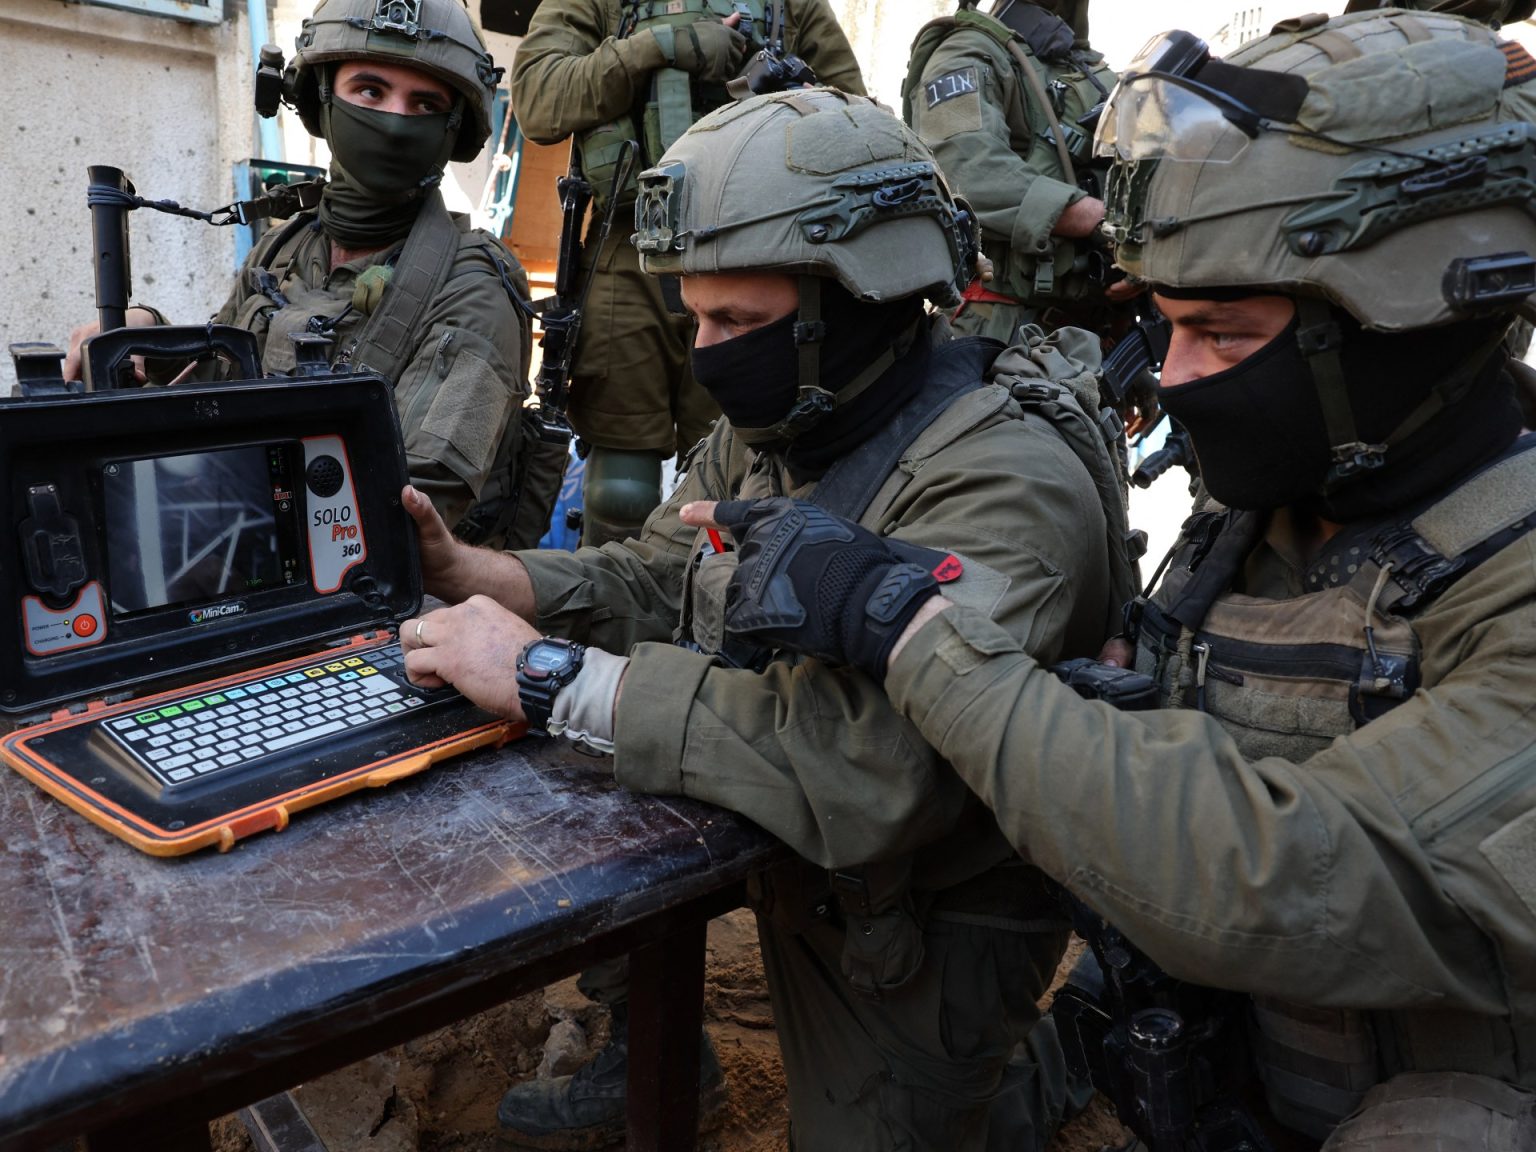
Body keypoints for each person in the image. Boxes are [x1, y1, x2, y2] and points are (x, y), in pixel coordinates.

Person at [687, 11, 1536, 1150]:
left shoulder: (1510, 575)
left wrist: (905, 623)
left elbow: (1280, 876)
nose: (1173, 380)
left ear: (1410, 324)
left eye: (1224, 336)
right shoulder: (1269, 520)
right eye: (1164, 326)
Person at [399, 88, 1139, 1150]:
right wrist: (482, 574)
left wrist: (552, 679)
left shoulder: (1006, 484)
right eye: (696, 316)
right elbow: (666, 568)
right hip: (789, 824)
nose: (707, 352)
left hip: (926, 904)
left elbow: (874, 769)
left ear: (862, 300)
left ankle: (1054, 1061)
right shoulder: (799, 408)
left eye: (739, 323)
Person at [62, 0, 546, 551]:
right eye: (370, 90)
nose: (394, 122)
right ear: (321, 97)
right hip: (235, 542)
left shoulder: (476, 287)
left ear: (453, 128)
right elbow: (221, 375)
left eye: (425, 103)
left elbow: (412, 505)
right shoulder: (287, 246)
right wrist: (145, 336)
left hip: (387, 583)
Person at [508, 0, 865, 548]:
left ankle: (725, 596)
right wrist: (657, 46)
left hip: (756, 257)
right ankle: (608, 596)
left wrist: (775, 79)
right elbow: (538, 101)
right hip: (626, 251)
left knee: (748, 479)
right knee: (619, 488)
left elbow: (855, 121)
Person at [903, 0, 1120, 346]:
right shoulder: (967, 53)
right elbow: (967, 172)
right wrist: (1102, 222)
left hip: (1094, 328)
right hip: (1003, 333)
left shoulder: (1074, 58)